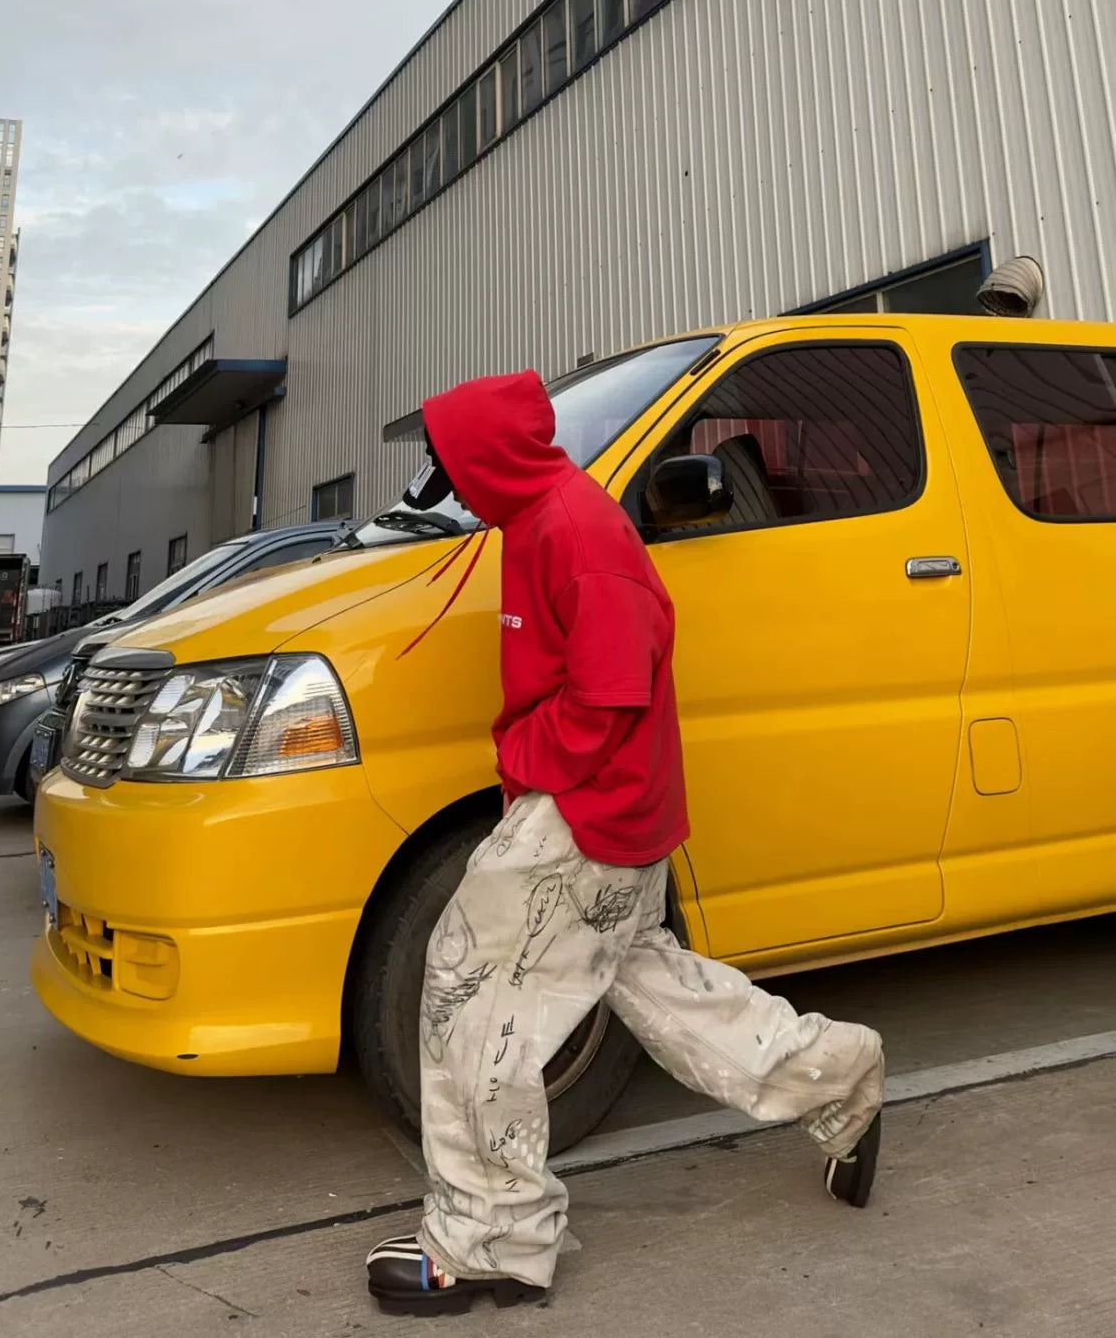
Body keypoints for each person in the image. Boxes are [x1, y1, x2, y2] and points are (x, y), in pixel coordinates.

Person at [366, 369, 885, 1317]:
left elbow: (609, 696)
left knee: (469, 994)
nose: (445, 483)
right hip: (607, 806)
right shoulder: (538, 521)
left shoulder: (575, 531)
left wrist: (528, 764)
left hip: (584, 810)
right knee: (653, 987)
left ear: (485, 457)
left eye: (449, 462)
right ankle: (835, 1075)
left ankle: (492, 1237)